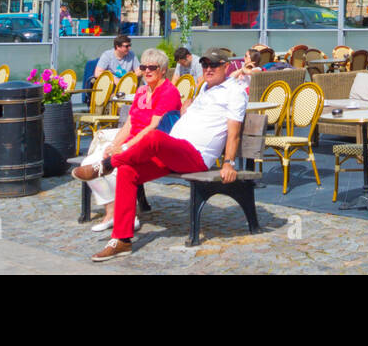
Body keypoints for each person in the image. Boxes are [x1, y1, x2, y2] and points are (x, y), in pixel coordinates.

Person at [72, 47, 247, 262]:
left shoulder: (234, 91)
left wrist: (228, 162)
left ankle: (106, 165)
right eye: (205, 65)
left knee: (154, 137)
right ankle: (122, 239)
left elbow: (234, 132)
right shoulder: (205, 89)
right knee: (128, 171)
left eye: (214, 65)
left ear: (226, 66)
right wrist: (187, 110)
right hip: (175, 151)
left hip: (196, 156)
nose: (208, 69)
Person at [78, 49, 182, 233]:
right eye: (143, 67)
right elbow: (130, 123)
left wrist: (125, 147)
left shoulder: (168, 92)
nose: (147, 71)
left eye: (152, 67)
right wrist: (114, 145)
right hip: (132, 141)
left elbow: (153, 128)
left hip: (152, 146)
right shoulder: (142, 90)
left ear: (163, 70)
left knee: (114, 166)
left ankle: (126, 214)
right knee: (90, 162)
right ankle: (112, 211)